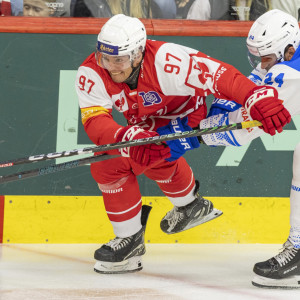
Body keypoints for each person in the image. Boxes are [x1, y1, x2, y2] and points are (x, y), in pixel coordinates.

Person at [75, 14, 290, 274]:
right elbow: (96, 122)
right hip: (143, 123)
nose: (111, 67)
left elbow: (219, 75)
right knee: (124, 158)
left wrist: (255, 97)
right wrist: (128, 138)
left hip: (184, 118)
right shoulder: (91, 71)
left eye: (118, 59)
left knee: (131, 159)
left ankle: (165, 218)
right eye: (104, 58)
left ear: (138, 53)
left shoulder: (167, 60)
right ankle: (173, 215)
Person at [183, 9, 300, 288]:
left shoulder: (290, 73)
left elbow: (251, 125)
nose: (262, 63)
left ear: (289, 49)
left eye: (266, 58)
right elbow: (254, 88)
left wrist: (203, 135)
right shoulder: (286, 55)